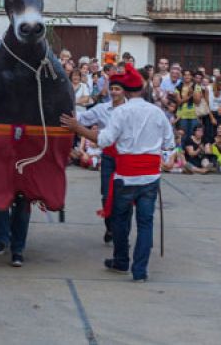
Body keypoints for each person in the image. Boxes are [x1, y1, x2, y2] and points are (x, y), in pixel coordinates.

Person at [63, 64, 174, 283]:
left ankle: (122, 261)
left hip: (126, 175)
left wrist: (78, 128)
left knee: (121, 221)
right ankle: (140, 270)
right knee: (145, 223)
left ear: (125, 89)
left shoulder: (121, 112)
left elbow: (104, 140)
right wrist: (165, 157)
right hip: (151, 176)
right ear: (141, 90)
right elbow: (169, 144)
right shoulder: (157, 112)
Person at [74, 77, 127, 245]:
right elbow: (82, 119)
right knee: (106, 194)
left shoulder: (131, 109)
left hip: (127, 158)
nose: (114, 92)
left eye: (118, 89)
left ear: (124, 91)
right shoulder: (103, 108)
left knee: (125, 196)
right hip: (109, 156)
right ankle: (110, 227)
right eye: (112, 89)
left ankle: (122, 235)